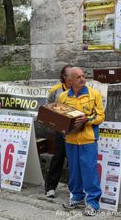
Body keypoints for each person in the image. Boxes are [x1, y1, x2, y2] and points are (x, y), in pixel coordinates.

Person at [59, 67, 105, 216]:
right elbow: (60, 117)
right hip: (71, 139)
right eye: (78, 77)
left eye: (83, 76)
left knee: (90, 171)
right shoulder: (63, 97)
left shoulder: (94, 94)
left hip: (88, 139)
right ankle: (77, 197)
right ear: (70, 80)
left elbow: (101, 116)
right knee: (74, 171)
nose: (82, 79)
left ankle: (93, 203)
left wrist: (88, 120)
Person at [44, 65, 72, 198]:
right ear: (64, 77)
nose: (72, 78)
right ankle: (50, 187)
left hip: (76, 132)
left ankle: (74, 189)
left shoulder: (79, 89)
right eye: (69, 75)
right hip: (60, 131)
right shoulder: (56, 90)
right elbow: (47, 107)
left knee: (74, 161)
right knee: (57, 159)